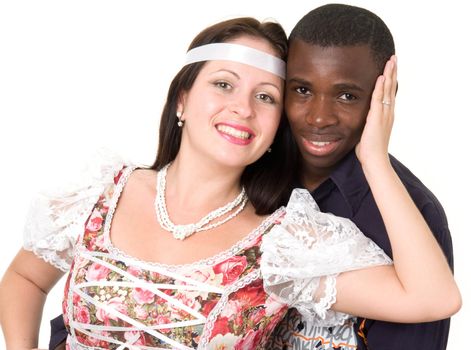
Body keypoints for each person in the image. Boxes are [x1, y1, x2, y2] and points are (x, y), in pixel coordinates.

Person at [0, 15, 460, 350]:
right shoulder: (100, 198)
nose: (242, 108)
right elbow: (24, 276)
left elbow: (432, 298)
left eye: (265, 97)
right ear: (183, 98)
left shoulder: (283, 242)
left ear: (275, 125)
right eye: (223, 84)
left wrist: (374, 159)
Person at [267, 4, 456, 350]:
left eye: (346, 96)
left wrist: (375, 161)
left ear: (385, 95)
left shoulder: (414, 216)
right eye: (302, 90)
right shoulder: (251, 176)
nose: (319, 118)